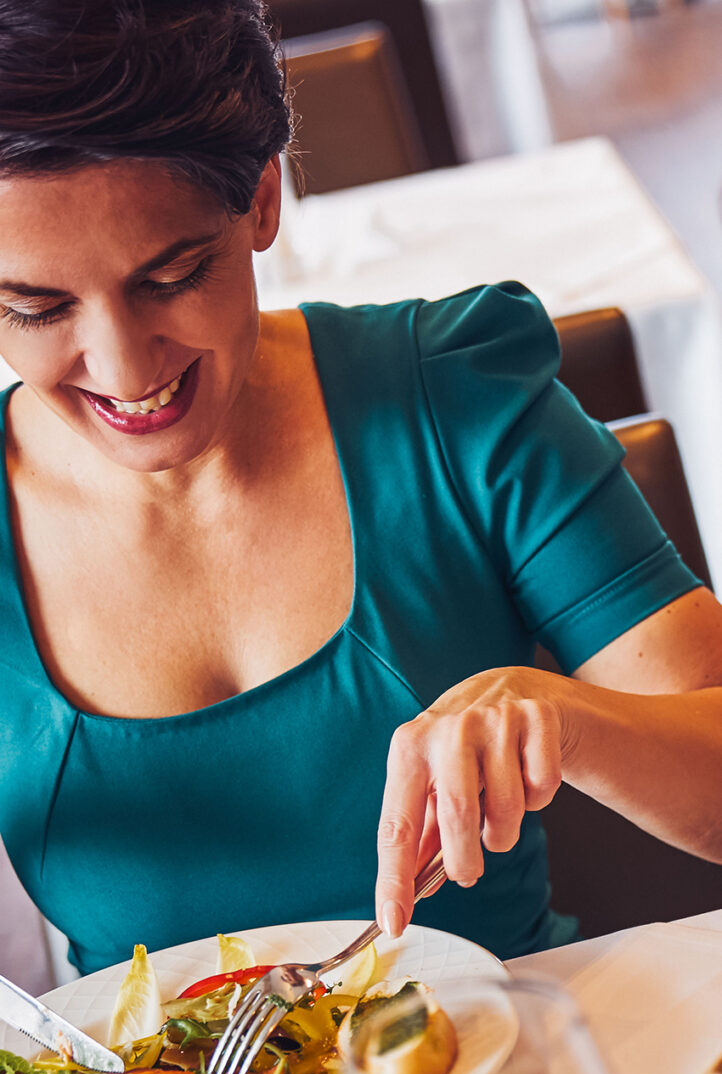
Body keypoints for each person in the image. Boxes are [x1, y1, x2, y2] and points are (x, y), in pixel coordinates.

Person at [0, 0, 720, 978]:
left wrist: (566, 717)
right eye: (39, 308)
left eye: (171, 277)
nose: (124, 368)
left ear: (261, 198)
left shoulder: (453, 394)